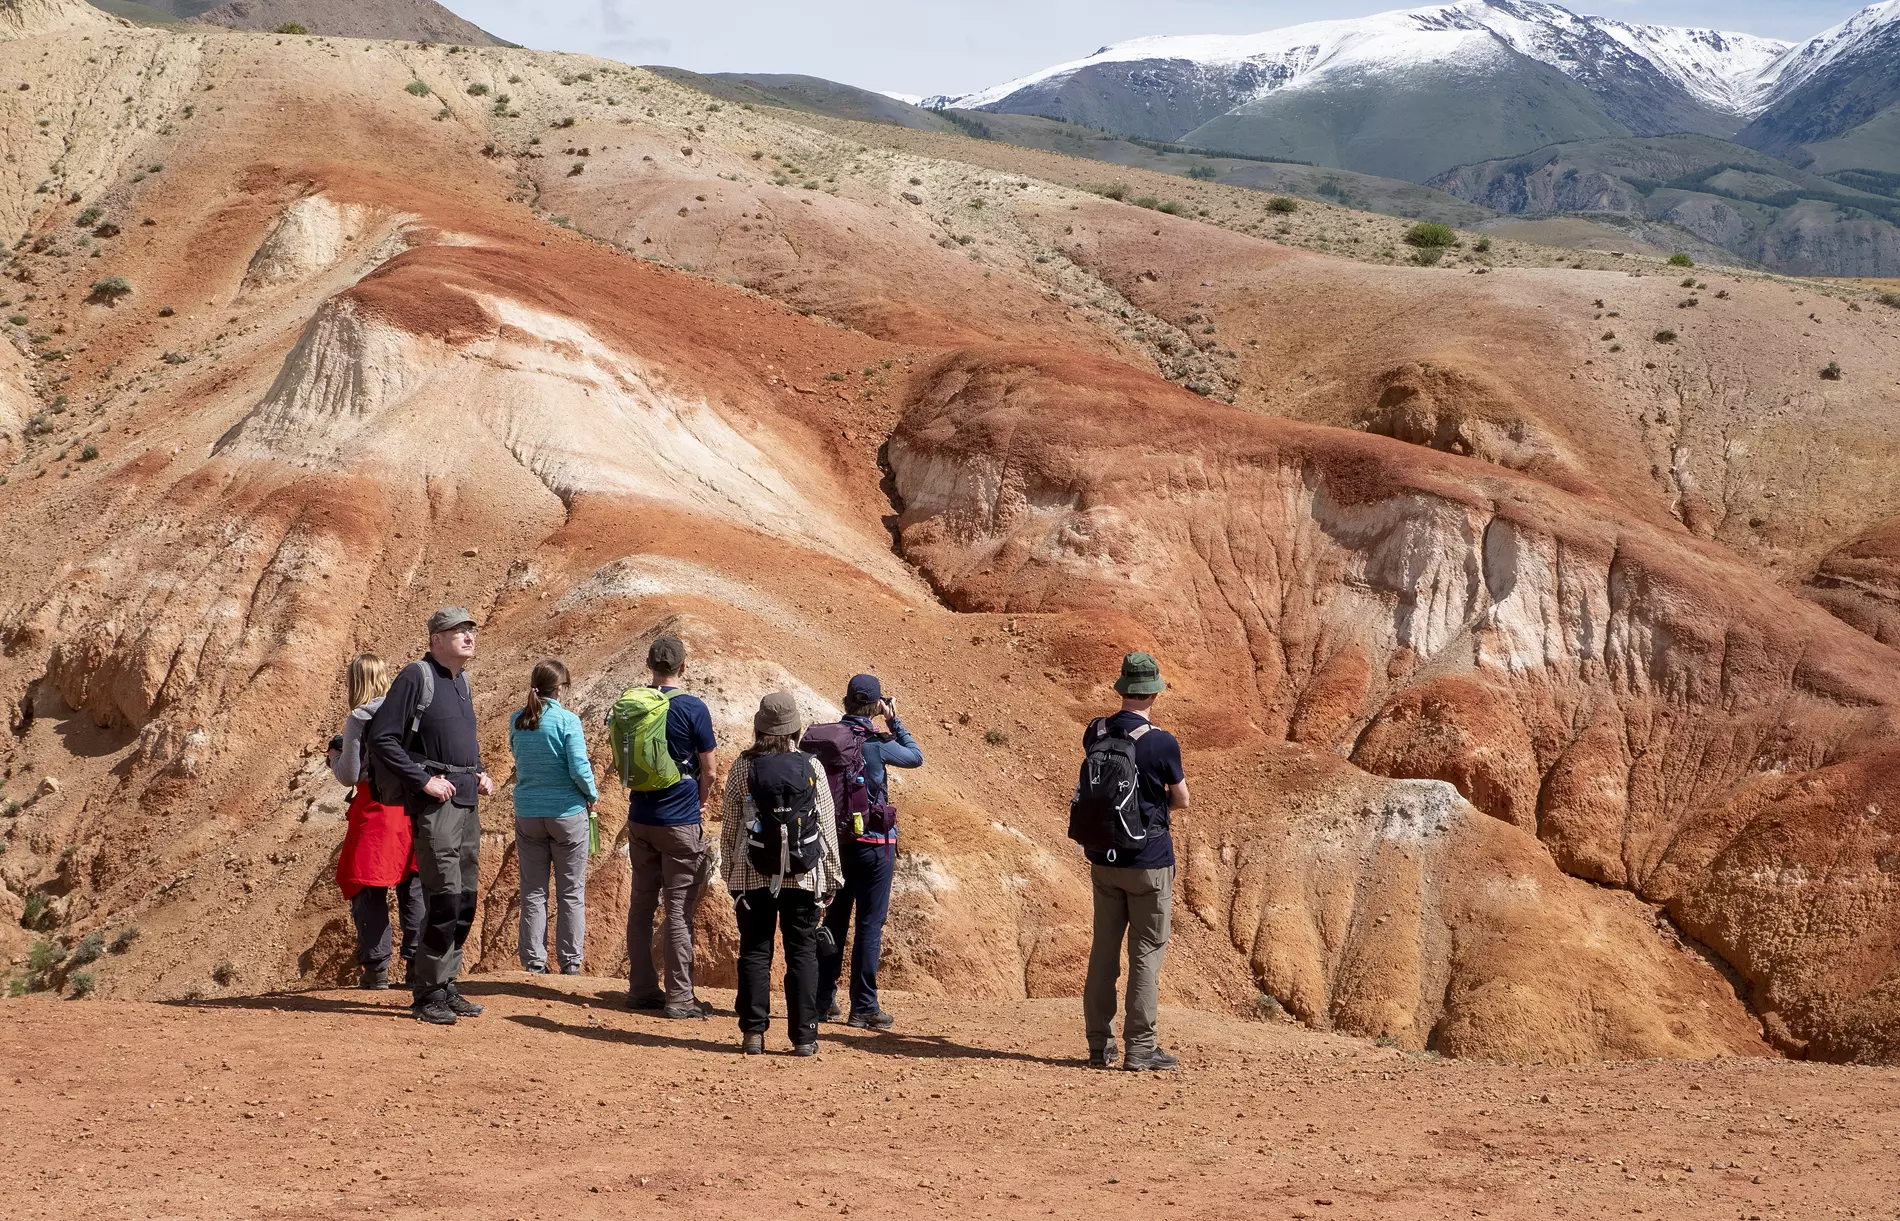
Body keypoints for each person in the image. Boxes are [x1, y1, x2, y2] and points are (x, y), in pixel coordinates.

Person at [366, 607, 495, 1026]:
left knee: (466, 900)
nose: (469, 636)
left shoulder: (461, 681)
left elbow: (458, 740)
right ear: (436, 639)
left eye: (471, 630)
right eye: (458, 631)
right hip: (436, 806)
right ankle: (426, 993)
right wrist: (423, 780)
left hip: (466, 801)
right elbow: (383, 738)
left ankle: (446, 983)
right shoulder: (415, 676)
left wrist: (478, 772)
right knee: (444, 898)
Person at [1075, 652, 1187, 1071]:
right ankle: (1140, 1048)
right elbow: (1182, 799)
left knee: (1103, 952)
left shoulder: (1096, 730)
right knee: (1145, 955)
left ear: (1123, 689)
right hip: (1149, 862)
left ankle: (1098, 1046)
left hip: (1104, 859)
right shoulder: (1161, 742)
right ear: (1154, 693)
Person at [721, 691, 843, 1056]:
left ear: (759, 727)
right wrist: (832, 877)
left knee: (755, 951)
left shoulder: (743, 766)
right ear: (794, 729)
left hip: (753, 873)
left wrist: (730, 873)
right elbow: (826, 826)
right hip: (804, 874)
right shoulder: (812, 766)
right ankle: (804, 1037)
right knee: (802, 953)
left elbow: (731, 826)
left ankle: (753, 1034)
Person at [809, 673, 923, 1029]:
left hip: (836, 844)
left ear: (846, 701)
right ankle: (864, 1006)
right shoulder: (874, 743)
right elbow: (915, 757)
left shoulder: (829, 741)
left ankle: (823, 1000)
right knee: (870, 924)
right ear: (876, 705)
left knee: (835, 920)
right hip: (874, 846)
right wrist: (893, 720)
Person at [620, 635, 718, 1019]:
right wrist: (701, 800)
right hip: (679, 821)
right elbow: (710, 770)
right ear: (683, 666)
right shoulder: (693, 707)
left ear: (649, 666)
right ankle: (680, 998)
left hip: (639, 818)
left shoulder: (633, 703)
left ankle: (641, 989)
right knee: (677, 910)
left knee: (642, 905)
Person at [327, 653, 424, 991]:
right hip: (411, 806)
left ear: (355, 683)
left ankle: (376, 970)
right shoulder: (409, 712)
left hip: (375, 808)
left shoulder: (360, 716)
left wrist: (335, 757)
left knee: (368, 889)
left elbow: (350, 774)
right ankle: (417, 968)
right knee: (413, 886)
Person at [508, 659, 598, 976]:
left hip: (528, 812)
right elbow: (579, 767)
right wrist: (592, 795)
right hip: (566, 814)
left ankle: (534, 962)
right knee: (571, 892)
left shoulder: (517, 720)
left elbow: (518, 758)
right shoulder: (567, 720)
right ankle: (570, 963)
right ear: (560, 688)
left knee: (533, 892)